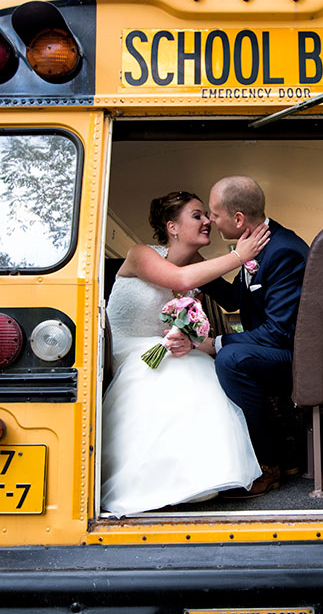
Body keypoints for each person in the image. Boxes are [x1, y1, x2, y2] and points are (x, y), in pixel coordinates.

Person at [99, 190, 271, 516]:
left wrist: (189, 341)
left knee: (199, 365)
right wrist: (238, 255)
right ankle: (150, 479)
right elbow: (179, 279)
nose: (208, 221)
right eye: (198, 215)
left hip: (161, 346)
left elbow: (230, 300)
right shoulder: (140, 254)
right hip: (123, 346)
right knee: (176, 372)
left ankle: (200, 478)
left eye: (207, 215)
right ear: (172, 227)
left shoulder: (196, 264)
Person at [168, 176, 309, 498]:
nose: (210, 221)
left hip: (296, 355)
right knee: (229, 355)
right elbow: (235, 301)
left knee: (232, 360)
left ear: (238, 219)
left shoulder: (283, 250)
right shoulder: (257, 245)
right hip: (277, 346)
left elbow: (279, 332)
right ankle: (279, 457)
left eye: (214, 214)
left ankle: (267, 464)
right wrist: (195, 265)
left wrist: (215, 345)